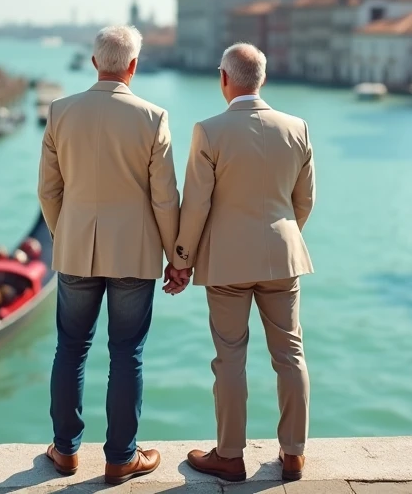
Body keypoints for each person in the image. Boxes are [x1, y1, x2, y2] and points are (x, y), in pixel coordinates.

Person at [37, 24, 180, 485]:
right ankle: (120, 457)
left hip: (76, 247)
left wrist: (67, 234)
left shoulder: (60, 112)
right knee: (127, 354)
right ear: (133, 67)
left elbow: (48, 190)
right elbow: (165, 198)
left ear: (95, 62)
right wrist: (177, 255)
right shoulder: (153, 117)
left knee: (71, 348)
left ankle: (65, 452)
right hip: (134, 253)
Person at [170, 42, 315, 483]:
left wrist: (182, 260)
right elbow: (304, 201)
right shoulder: (297, 128)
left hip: (227, 262)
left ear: (224, 79)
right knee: (290, 354)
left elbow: (195, 205)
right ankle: (294, 455)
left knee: (229, 358)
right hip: (282, 256)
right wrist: (281, 238)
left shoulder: (209, 131)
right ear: (263, 80)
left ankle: (230, 456)